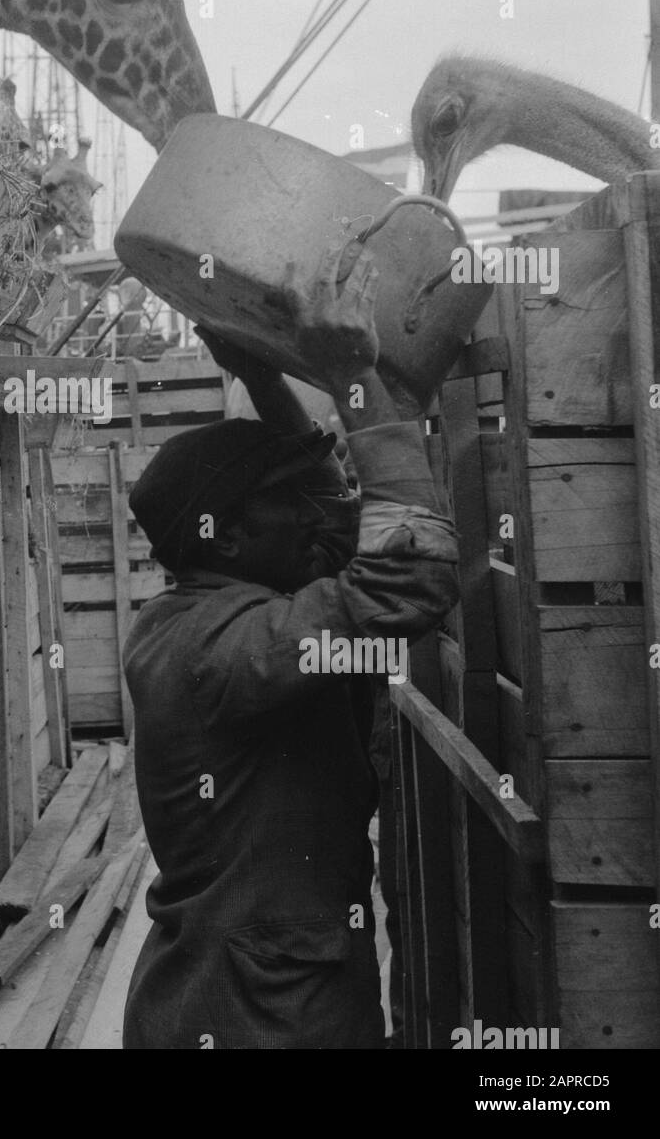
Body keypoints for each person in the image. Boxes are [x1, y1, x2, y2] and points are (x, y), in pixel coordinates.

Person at [121, 241, 459, 1049]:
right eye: (291, 504)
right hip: (255, 1016)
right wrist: (350, 376)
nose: (323, 514)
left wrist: (263, 374)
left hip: (251, 987)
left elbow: (341, 515)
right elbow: (402, 578)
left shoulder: (212, 607)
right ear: (230, 537)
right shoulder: (227, 649)